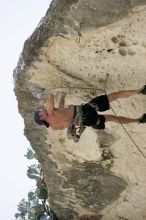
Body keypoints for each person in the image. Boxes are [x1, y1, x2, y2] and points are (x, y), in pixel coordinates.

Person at [34, 85, 146, 140]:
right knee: (114, 96)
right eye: (40, 112)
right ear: (42, 118)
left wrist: (63, 96)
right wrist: (40, 95)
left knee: (112, 118)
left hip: (87, 121)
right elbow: (50, 96)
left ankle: (139, 120)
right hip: (85, 111)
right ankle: (140, 90)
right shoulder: (50, 113)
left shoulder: (54, 126)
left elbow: (61, 111)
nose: (42, 110)